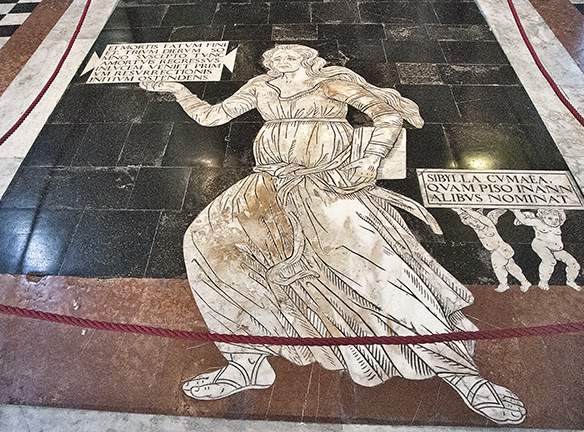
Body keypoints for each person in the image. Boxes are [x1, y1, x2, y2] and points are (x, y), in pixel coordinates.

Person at [140, 44, 526, 424]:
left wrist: (370, 159)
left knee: (376, 270)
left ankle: (463, 375)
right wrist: (178, 90)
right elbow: (211, 116)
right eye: (275, 57)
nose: (281, 59)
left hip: (326, 184)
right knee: (205, 243)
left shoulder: (330, 82)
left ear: (310, 59)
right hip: (267, 183)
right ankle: (245, 362)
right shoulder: (261, 86)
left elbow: (387, 114)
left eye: (291, 54)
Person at [454, 208, 531, 292]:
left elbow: (479, 217)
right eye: (472, 223)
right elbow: (466, 220)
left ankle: (504, 284)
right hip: (496, 250)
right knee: (511, 266)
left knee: (497, 266)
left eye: (476, 221)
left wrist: (469, 210)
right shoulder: (477, 229)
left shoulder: (488, 225)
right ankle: (524, 282)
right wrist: (459, 210)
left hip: (501, 248)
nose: (474, 224)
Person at [512, 208, 580, 291]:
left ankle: (571, 281)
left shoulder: (558, 224)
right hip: (541, 245)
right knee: (550, 261)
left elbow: (562, 214)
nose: (554, 221)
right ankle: (543, 282)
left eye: (556, 219)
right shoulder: (539, 222)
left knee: (573, 264)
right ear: (543, 217)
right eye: (550, 218)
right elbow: (525, 221)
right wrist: (516, 211)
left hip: (556, 249)